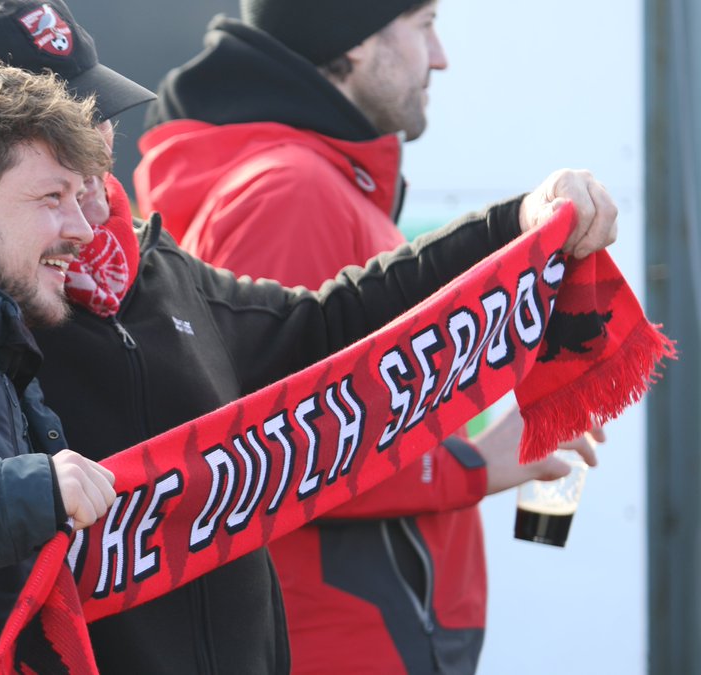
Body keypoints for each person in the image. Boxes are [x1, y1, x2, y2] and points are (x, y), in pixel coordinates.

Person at [0, 3, 617, 674]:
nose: (97, 176)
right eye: (64, 144)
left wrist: (511, 228)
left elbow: (319, 331)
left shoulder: (134, 257)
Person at [133, 1, 588, 673]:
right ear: (348, 46)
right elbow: (263, 452)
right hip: (339, 639)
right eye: (424, 24)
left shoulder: (318, 182)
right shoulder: (292, 192)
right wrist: (473, 465)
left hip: (366, 629)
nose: (441, 56)